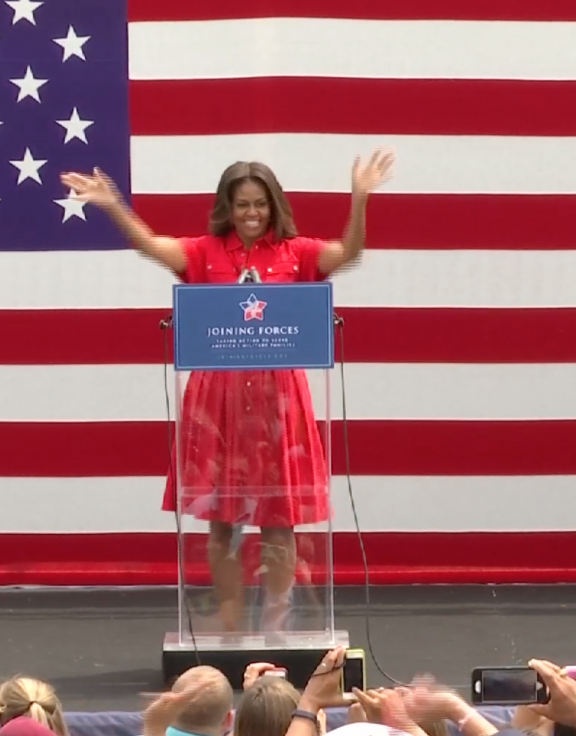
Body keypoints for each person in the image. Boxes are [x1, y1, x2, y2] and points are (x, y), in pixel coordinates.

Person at [61, 149, 395, 632]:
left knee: (279, 522)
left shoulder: (296, 252)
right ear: (227, 207)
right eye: (242, 205)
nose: (252, 213)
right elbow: (152, 245)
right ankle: (233, 629)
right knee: (224, 523)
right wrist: (113, 205)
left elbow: (349, 254)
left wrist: (359, 200)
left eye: (260, 203)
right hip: (218, 402)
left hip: (280, 401)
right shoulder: (203, 252)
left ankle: (276, 629)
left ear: (274, 204)